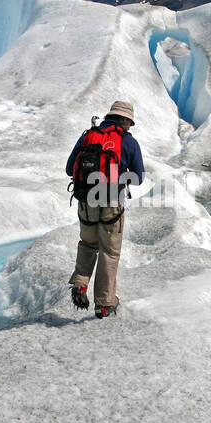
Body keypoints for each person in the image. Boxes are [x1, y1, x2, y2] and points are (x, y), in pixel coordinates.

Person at [65, 100, 144, 318]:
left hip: (85, 201)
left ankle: (80, 283)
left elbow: (69, 168)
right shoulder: (128, 142)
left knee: (88, 244)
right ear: (126, 120)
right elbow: (138, 178)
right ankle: (104, 303)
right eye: (129, 122)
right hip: (111, 203)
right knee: (109, 252)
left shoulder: (88, 135)